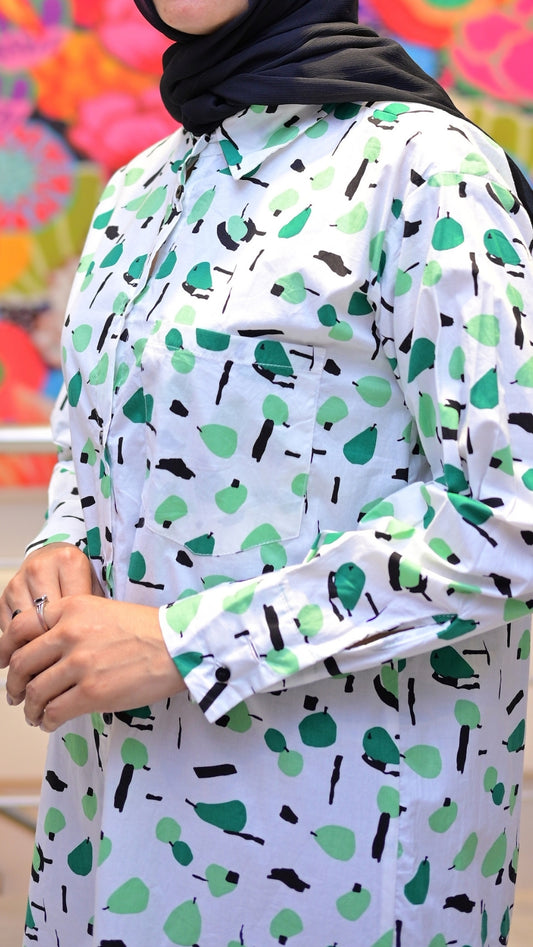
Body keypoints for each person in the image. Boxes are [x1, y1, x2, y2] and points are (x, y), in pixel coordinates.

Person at [1, 1, 533, 944]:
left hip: (343, 842)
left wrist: (189, 644)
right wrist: (63, 542)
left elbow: (511, 511)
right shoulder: (139, 190)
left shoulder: (424, 168)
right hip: (110, 817)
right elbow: (93, 448)